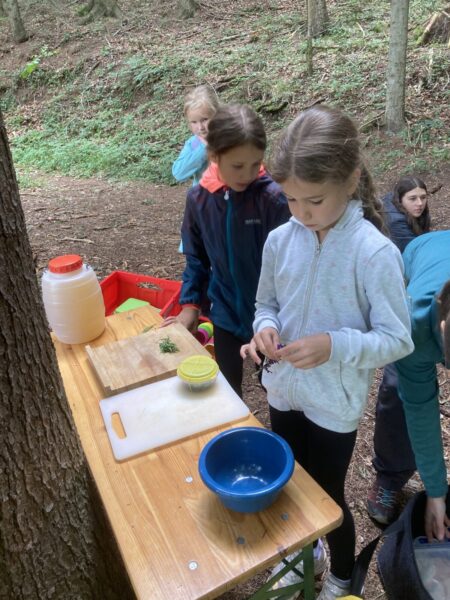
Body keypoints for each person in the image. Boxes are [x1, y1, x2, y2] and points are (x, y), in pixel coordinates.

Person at [240, 105, 414, 600]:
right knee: (290, 485)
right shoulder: (281, 240)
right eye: (291, 198)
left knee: (327, 498)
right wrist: (266, 328)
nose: (300, 212)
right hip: (284, 391)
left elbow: (397, 339)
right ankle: (304, 556)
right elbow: (266, 304)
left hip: (334, 405)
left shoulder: (373, 252)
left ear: (351, 179)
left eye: (313, 200)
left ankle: (339, 575)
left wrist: (334, 345)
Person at [164, 103, 290, 398]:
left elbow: (291, 266)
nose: (248, 174)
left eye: (255, 163)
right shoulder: (199, 199)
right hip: (224, 312)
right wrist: (190, 305)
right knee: (227, 391)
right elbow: (196, 257)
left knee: (276, 389)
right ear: (213, 156)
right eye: (237, 166)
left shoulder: (273, 199)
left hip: (272, 316)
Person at [367, 176, 431, 525]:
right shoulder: (393, 223)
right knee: (399, 387)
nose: (420, 203)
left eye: (423, 197)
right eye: (413, 198)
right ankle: (389, 478)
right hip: (406, 310)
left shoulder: (422, 227)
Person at [394, 231, 450, 542]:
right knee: (398, 388)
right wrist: (436, 492)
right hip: (422, 251)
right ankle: (389, 475)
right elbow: (421, 411)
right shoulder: (413, 327)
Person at [172, 84, 220, 187]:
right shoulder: (194, 144)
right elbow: (179, 173)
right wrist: (204, 148)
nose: (200, 127)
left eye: (204, 120)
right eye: (194, 122)